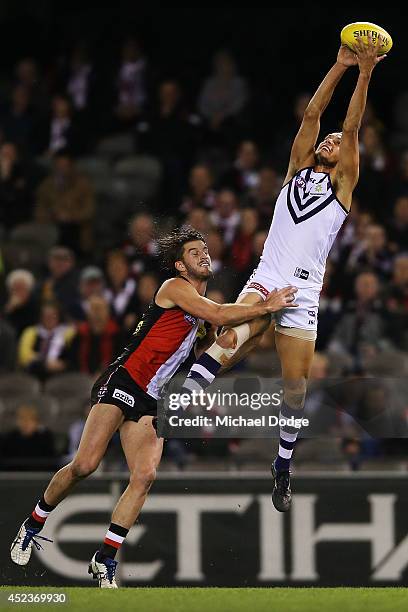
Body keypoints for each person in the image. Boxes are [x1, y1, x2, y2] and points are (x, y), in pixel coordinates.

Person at [10, 226, 296, 587]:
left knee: (144, 477)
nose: (203, 255)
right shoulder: (175, 289)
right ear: (180, 265)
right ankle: (32, 524)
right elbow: (223, 314)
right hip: (125, 381)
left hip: (153, 399)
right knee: (85, 464)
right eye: (194, 252)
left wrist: (254, 332)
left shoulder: (201, 317)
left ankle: (105, 559)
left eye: (205, 250)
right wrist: (266, 305)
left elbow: (216, 347)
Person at [178, 36, 386, 512]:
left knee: (295, 388)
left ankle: (283, 465)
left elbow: (351, 129)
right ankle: (180, 402)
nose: (332, 139)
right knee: (228, 338)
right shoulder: (295, 169)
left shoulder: (343, 186)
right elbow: (313, 117)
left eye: (338, 142)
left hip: (303, 294)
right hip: (266, 279)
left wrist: (366, 74)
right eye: (327, 140)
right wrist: (338, 67)